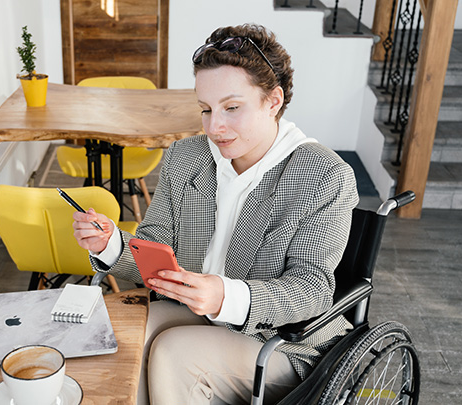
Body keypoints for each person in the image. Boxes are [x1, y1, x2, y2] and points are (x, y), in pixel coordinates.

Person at [72, 23, 359, 405]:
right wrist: (110, 245)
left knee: (176, 353)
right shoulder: (186, 156)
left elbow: (311, 288)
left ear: (273, 101)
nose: (215, 126)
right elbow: (153, 247)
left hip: (281, 341)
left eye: (232, 107)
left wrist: (227, 296)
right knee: (121, 339)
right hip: (195, 315)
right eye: (206, 109)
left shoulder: (323, 175)